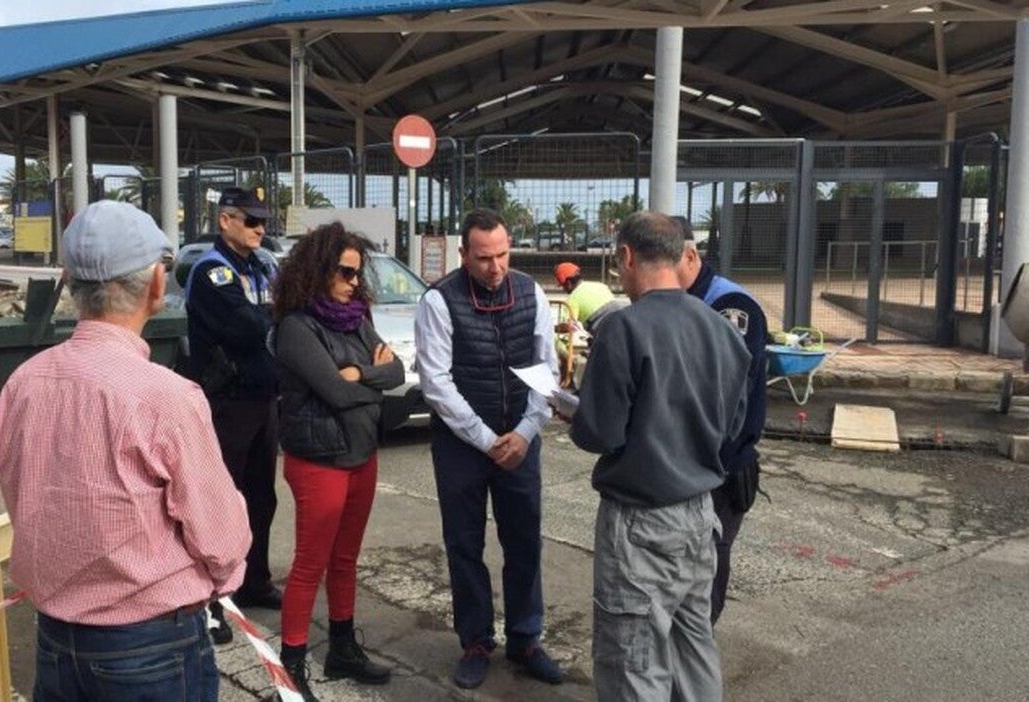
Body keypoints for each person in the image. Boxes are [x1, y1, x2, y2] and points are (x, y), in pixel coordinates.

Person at [0, 200, 251, 702]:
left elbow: (18, 493)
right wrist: (223, 579)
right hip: (151, 644)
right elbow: (220, 533)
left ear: (69, 281)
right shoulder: (166, 396)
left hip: (54, 636)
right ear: (158, 284)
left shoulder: (24, 382)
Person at [570, 211, 750, 701]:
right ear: (679, 255)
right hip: (700, 516)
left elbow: (597, 433)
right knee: (694, 652)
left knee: (634, 664)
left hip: (639, 524)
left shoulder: (624, 330)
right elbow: (732, 426)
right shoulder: (721, 331)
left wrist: (576, 410)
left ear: (626, 257)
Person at [415, 208, 565, 690]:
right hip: (462, 444)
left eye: (502, 255)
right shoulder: (438, 301)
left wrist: (524, 431)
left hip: (521, 438)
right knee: (464, 543)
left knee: (524, 540)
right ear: (464, 255)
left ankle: (526, 638)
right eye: (483, 258)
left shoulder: (532, 291)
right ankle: (476, 640)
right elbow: (436, 383)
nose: (495, 267)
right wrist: (485, 439)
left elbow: (548, 371)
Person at [271, 222, 404, 701]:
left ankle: (342, 648)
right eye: (346, 272)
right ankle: (291, 665)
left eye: (357, 273)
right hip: (319, 461)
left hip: (360, 454)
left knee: (346, 560)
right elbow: (332, 389)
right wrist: (371, 385)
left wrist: (363, 374)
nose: (353, 282)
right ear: (319, 269)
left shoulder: (356, 318)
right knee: (311, 563)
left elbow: (398, 371)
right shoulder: (296, 326)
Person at [185, 186, 283, 639]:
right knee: (222, 504)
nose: (261, 228)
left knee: (262, 498)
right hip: (228, 403)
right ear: (225, 221)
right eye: (251, 220)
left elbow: (273, 314)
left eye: (263, 221)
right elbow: (248, 327)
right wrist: (274, 313)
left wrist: (271, 312)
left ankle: (254, 580)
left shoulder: (259, 267)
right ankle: (213, 601)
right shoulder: (212, 272)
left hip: (262, 401)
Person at [674, 216, 768, 624]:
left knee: (705, 574)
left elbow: (725, 400)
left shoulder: (728, 306)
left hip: (718, 468)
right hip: (686, 466)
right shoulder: (678, 299)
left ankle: (692, 676)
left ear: (690, 255)